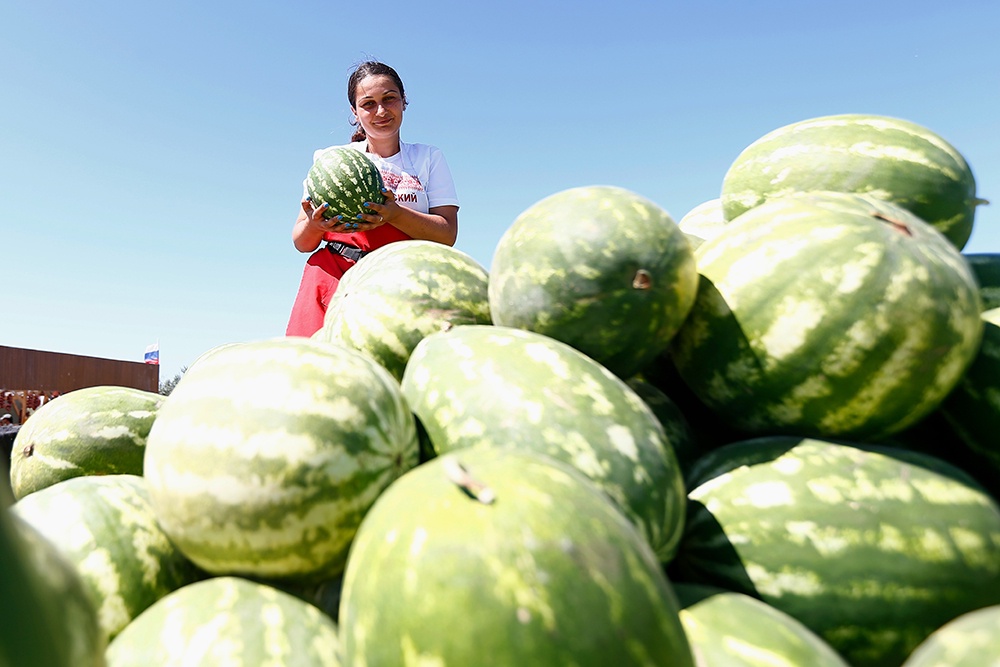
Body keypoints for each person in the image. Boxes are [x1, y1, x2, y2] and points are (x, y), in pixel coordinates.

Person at [285, 61, 460, 337]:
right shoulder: (330, 159)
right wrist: (315, 225)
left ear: (404, 101)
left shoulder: (428, 158)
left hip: (403, 282)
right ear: (355, 112)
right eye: (368, 104)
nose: (381, 111)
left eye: (389, 99)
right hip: (334, 281)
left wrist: (395, 214)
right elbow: (301, 242)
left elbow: (447, 235)